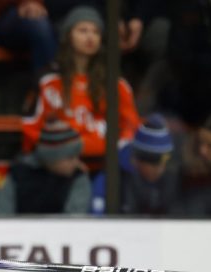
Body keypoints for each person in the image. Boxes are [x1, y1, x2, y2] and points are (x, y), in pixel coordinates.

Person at [22, 6, 140, 173]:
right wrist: (57, 156)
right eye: (83, 30)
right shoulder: (48, 80)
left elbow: (130, 126)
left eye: (96, 32)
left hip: (106, 168)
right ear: (68, 35)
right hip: (57, 167)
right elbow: (31, 127)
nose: (90, 37)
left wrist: (118, 152)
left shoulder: (117, 84)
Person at [0, 119, 90, 214]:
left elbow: (74, 222)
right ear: (51, 157)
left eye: (77, 156)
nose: (76, 162)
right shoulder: (20, 174)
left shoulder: (78, 179)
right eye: (70, 157)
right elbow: (2, 214)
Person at [118, 114, 180, 215]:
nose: (160, 169)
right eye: (154, 162)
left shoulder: (172, 179)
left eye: (164, 162)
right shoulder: (119, 179)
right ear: (136, 159)